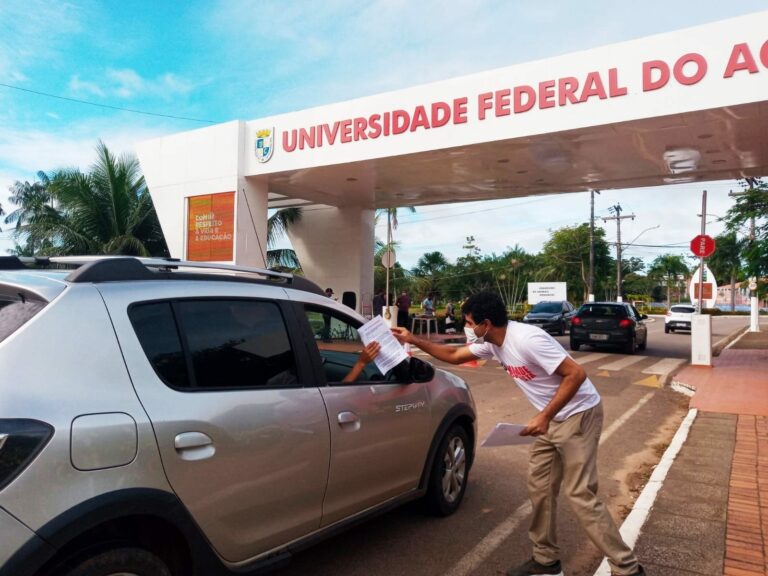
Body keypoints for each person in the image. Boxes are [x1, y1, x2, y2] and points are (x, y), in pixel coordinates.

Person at [391, 291, 644, 576]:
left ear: (486, 323)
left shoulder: (527, 340)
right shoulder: (493, 343)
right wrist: (412, 339)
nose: (467, 327)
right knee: (540, 488)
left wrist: (545, 415)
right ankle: (546, 561)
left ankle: (627, 568)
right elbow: (454, 355)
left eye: (470, 322)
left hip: (578, 415)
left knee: (580, 494)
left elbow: (576, 374)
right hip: (550, 420)